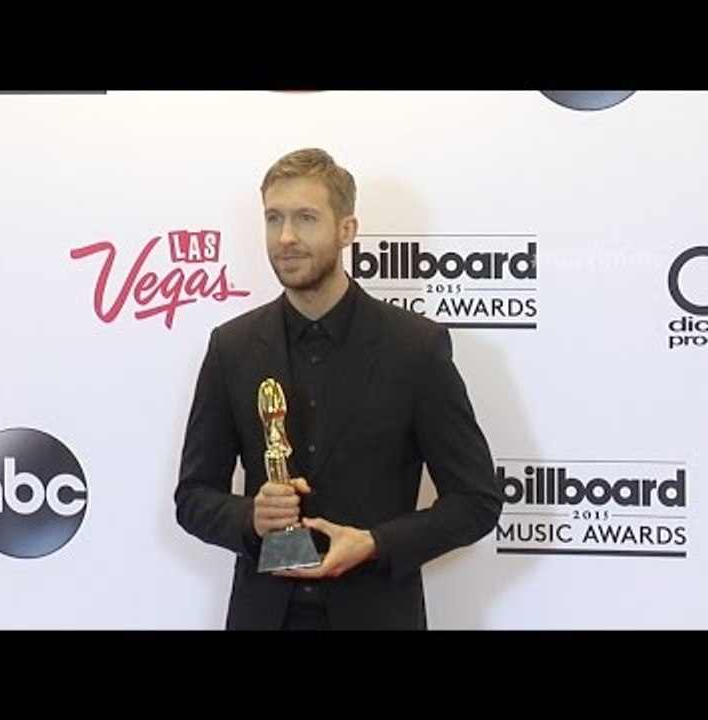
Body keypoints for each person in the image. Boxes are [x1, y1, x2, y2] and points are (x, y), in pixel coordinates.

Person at [174, 148, 502, 630]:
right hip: (264, 616)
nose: (285, 237)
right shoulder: (232, 347)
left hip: (376, 614)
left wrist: (375, 543)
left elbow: (476, 502)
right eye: (273, 218)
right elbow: (194, 496)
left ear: (347, 230)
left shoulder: (414, 347)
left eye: (306, 218)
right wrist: (251, 518)